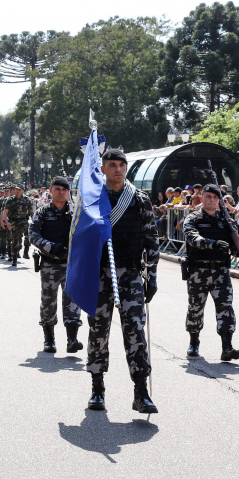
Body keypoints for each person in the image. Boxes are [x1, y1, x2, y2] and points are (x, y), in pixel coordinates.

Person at [85, 149, 159, 413]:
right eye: (112, 165)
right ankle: (97, 388)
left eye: (122, 165)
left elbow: (151, 239)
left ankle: (141, 391)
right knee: (98, 330)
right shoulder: (92, 197)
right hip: (100, 273)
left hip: (129, 274)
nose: (118, 169)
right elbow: (79, 240)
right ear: (103, 169)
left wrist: (152, 275)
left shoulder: (139, 200)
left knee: (136, 330)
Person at [181, 184, 239, 361]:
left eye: (215, 198)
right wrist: (212, 243)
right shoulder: (193, 218)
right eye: (208, 197)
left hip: (221, 272)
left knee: (226, 308)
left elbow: (233, 243)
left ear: (219, 200)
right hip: (198, 270)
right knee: (195, 307)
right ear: (202, 198)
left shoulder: (226, 220)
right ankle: (194, 342)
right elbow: (193, 238)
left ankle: (227, 346)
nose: (211, 200)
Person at [30, 176, 82, 354]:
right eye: (58, 189)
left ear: (68, 192)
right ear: (51, 191)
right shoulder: (43, 212)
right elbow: (33, 235)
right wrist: (51, 247)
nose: (61, 193)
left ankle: (72, 339)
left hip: (71, 265)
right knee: (48, 302)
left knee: (73, 300)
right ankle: (49, 339)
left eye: (64, 190)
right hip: (50, 265)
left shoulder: (75, 212)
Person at [2, 183, 34, 266]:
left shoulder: (27, 199)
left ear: (23, 190)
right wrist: (6, 222)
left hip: (24, 220)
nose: (17, 191)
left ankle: (26, 251)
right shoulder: (10, 200)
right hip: (14, 221)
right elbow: (5, 213)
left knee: (28, 235)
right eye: (16, 189)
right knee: (15, 240)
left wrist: (34, 221)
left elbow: (31, 211)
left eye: (19, 189)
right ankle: (14, 258)